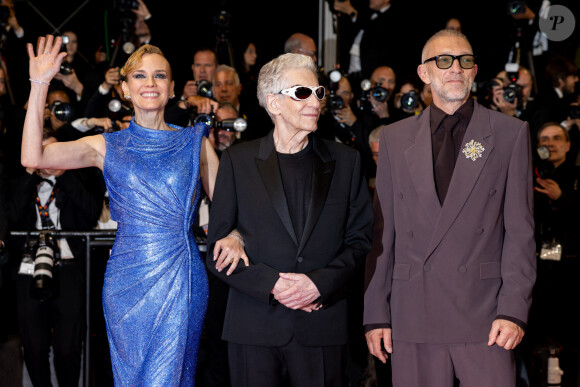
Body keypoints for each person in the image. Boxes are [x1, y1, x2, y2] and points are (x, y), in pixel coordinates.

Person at [21, 35, 245, 385]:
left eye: (159, 75)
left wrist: (233, 234)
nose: (150, 83)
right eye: (139, 76)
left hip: (181, 277)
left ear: (172, 88)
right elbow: (33, 157)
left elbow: (234, 209)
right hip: (125, 281)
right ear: (124, 88)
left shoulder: (195, 143)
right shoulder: (105, 145)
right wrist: (39, 84)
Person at [364, 29, 536, 386]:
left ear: (474, 71)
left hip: (486, 316)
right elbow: (383, 234)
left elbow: (520, 232)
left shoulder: (509, 133)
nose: (455, 68)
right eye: (444, 60)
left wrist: (514, 310)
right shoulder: (394, 138)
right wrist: (376, 312)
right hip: (413, 313)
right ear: (424, 73)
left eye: (465, 61)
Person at [206, 53, 373, 386]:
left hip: (321, 323)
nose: (315, 101)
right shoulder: (239, 161)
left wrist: (318, 285)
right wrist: (273, 285)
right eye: (302, 92)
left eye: (319, 92)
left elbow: (361, 241)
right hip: (253, 325)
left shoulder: (347, 161)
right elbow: (218, 250)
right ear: (274, 103)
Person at [9, 127, 104, 387]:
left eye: (53, 151)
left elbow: (92, 211)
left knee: (68, 346)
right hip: (29, 267)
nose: (48, 157)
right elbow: (13, 214)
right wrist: (30, 173)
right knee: (34, 346)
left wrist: (65, 174)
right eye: (42, 151)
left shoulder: (78, 179)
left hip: (69, 266)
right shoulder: (20, 181)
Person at [525, 122, 580, 386]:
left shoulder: (577, 177)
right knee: (536, 342)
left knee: (570, 344)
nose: (550, 144)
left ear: (568, 144)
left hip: (571, 272)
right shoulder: (530, 175)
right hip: (538, 271)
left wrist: (562, 197)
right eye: (544, 140)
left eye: (557, 138)